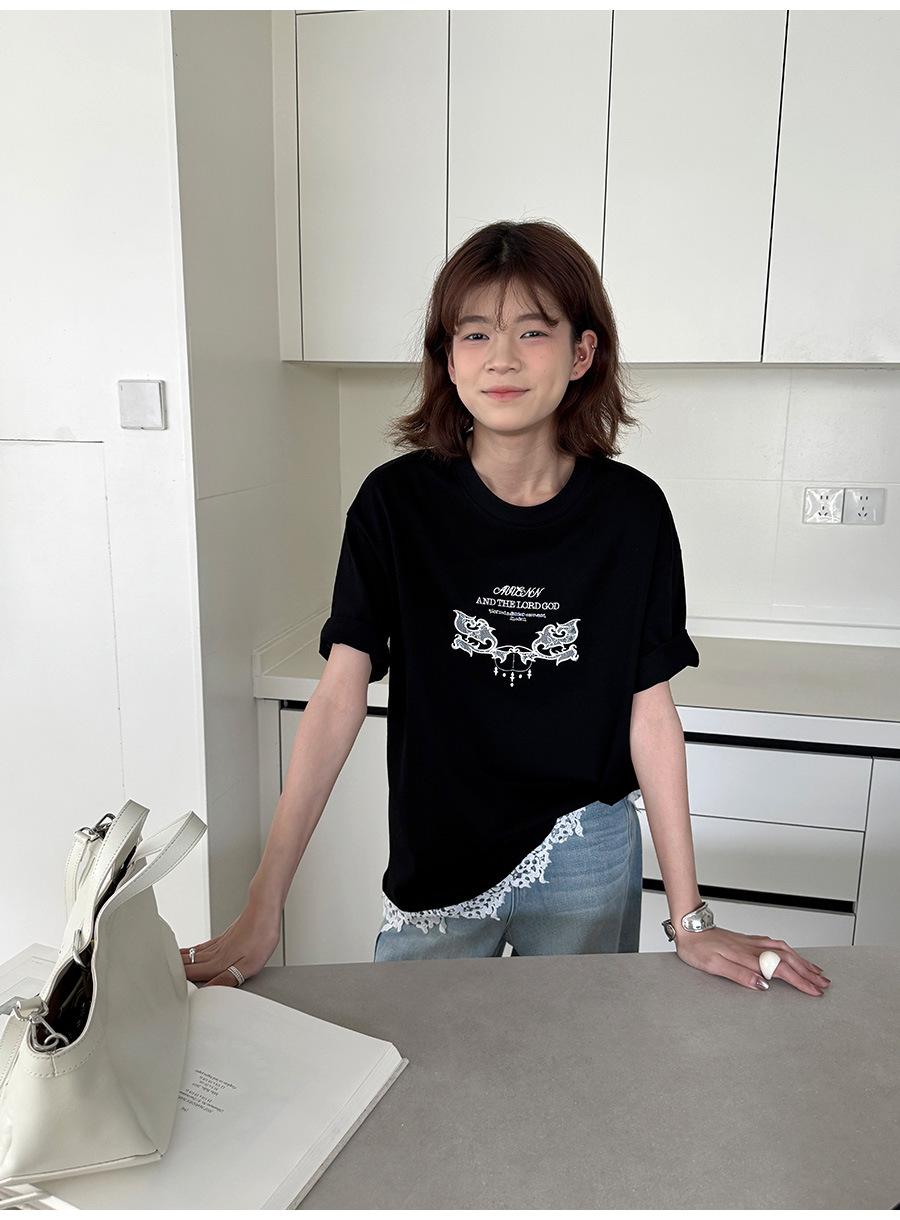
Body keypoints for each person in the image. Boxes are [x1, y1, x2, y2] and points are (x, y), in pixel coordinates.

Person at [181, 220, 830, 1000]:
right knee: (419, 1049)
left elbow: (650, 710)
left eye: (533, 331)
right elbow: (339, 695)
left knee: (579, 1054)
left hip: (586, 847)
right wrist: (263, 905)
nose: (502, 358)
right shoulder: (395, 505)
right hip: (439, 849)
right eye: (476, 333)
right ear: (449, 359)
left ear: (581, 353)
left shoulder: (633, 515)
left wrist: (689, 917)